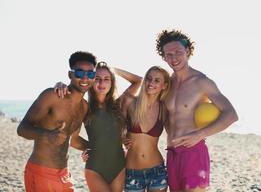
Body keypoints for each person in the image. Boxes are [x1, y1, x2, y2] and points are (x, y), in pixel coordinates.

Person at [155, 29, 238, 192]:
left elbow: (231, 114)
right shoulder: (167, 84)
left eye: (178, 52)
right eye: (169, 54)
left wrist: (201, 134)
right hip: (172, 154)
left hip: (193, 152)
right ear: (163, 57)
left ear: (187, 51)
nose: (174, 58)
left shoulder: (201, 82)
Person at [54, 61, 142, 192]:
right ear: (91, 81)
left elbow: (138, 81)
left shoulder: (120, 105)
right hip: (95, 168)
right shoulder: (83, 107)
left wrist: (113, 70)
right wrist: (90, 147)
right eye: (97, 79)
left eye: (107, 79)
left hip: (119, 167)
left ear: (112, 82)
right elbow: (73, 139)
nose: (102, 83)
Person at [17, 51, 97, 192]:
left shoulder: (84, 107)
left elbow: (74, 140)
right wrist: (46, 135)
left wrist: (98, 149)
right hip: (41, 172)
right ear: (70, 74)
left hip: (64, 174)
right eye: (79, 73)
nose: (85, 77)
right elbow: (22, 129)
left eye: (90, 74)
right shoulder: (52, 96)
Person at [123, 66, 170, 192]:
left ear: (164, 85)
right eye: (149, 78)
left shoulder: (164, 109)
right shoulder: (130, 102)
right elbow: (117, 127)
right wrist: (110, 68)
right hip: (131, 172)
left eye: (157, 80)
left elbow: (175, 131)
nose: (151, 83)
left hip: (157, 171)